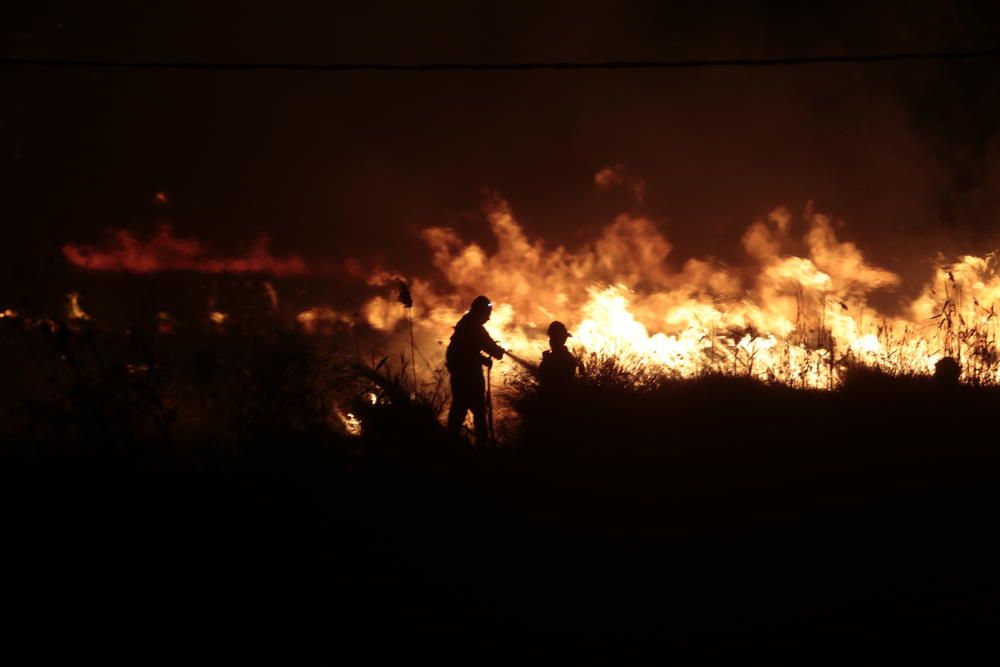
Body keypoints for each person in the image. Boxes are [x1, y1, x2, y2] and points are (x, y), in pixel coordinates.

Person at [446, 295, 504, 444]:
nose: (488, 319)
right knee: (479, 415)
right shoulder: (475, 329)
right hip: (471, 380)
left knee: (458, 411)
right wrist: (497, 351)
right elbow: (491, 349)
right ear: (480, 312)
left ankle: (448, 444)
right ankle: (482, 452)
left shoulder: (464, 325)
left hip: (459, 378)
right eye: (487, 315)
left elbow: (467, 351)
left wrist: (483, 359)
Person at [537, 321, 579, 390]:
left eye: (553, 338)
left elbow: (546, 379)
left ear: (559, 339)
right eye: (551, 338)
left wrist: (546, 360)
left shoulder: (563, 358)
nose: (550, 341)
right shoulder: (564, 356)